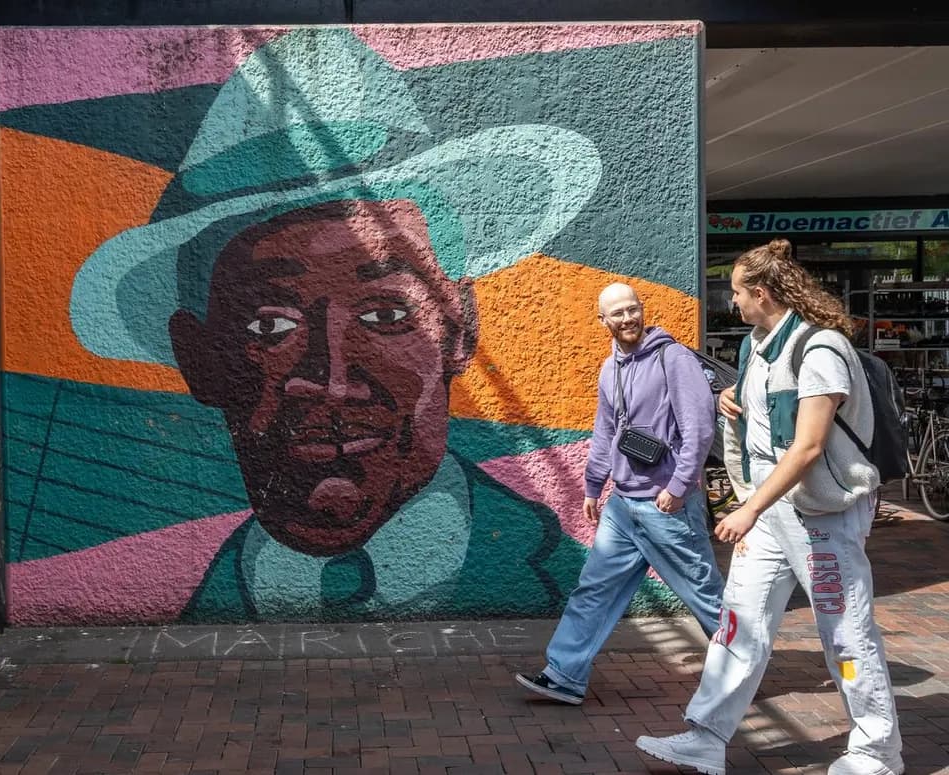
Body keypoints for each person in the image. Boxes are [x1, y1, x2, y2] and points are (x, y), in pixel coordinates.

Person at [65, 28, 611, 622]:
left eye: (384, 315)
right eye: (271, 326)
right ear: (200, 360)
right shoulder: (210, 601)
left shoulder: (558, 580)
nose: (330, 379)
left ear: (460, 330)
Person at [635, 239, 902, 775]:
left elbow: (807, 446)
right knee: (740, 623)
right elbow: (763, 428)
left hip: (822, 518)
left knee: (846, 630)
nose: (732, 303)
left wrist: (748, 508)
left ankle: (877, 751)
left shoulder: (821, 350)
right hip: (778, 514)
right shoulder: (757, 345)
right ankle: (706, 737)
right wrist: (730, 403)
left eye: (736, 293)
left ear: (761, 292)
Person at [515, 283, 724, 704]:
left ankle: (742, 671)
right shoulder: (610, 368)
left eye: (632, 309)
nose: (627, 318)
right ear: (603, 321)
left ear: (641, 311)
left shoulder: (674, 359)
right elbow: (605, 432)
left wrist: (679, 487)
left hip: (667, 505)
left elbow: (699, 429)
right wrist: (594, 486)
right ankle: (564, 675)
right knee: (594, 589)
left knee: (705, 597)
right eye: (618, 313)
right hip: (623, 505)